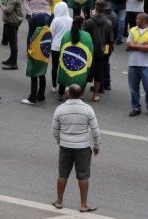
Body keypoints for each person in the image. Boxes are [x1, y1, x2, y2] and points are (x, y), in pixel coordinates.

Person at [51, 84, 99, 213]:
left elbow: (55, 130)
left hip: (65, 147)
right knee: (83, 176)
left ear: (68, 94)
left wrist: (59, 141)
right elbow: (95, 130)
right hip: (83, 148)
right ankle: (83, 204)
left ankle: (59, 201)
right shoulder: (88, 109)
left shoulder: (60, 109)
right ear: (81, 94)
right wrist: (96, 145)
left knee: (62, 175)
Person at [126, 13, 148, 117]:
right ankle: (136, 107)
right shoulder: (133, 30)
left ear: (144, 21)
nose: (136, 20)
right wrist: (144, 45)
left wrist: (135, 45)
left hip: (146, 65)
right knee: (133, 88)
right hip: (133, 64)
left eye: (138, 19)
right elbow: (128, 46)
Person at [82, 0, 114, 101]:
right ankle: (95, 94)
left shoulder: (89, 22)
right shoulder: (108, 23)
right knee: (99, 73)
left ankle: (81, 93)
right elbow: (110, 40)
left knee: (86, 72)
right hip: (102, 52)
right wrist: (107, 52)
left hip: (89, 51)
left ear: (95, 8)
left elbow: (84, 36)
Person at [0, 0, 25, 69]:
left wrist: (2, 6)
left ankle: (14, 63)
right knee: (12, 42)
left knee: (13, 43)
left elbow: (8, 10)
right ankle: (11, 59)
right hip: (15, 21)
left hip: (11, 22)